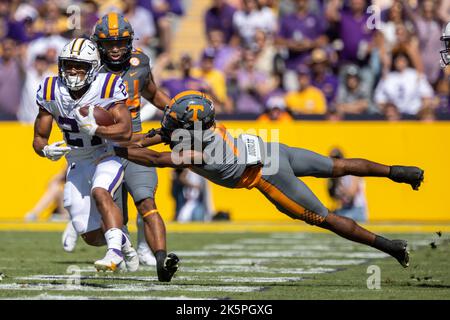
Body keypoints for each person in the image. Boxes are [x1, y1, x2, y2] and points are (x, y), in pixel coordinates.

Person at [113, 90, 426, 269]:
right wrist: (120, 143)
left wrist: (117, 148)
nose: (168, 123)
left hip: (268, 175)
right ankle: (399, 172)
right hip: (273, 150)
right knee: (339, 165)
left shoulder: (198, 152)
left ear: (190, 127)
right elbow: (155, 137)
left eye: (174, 120)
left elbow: (155, 156)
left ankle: (391, 247)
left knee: (326, 218)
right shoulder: (207, 125)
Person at [32, 38, 138, 273]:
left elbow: (126, 131)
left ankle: (114, 254)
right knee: (89, 234)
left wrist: (96, 129)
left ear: (93, 68)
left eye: (80, 66)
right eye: (69, 64)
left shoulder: (107, 86)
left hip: (106, 153)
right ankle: (123, 243)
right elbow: (39, 139)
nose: (73, 70)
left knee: (100, 192)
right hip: (77, 160)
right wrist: (46, 150)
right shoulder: (51, 89)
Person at [90, 13, 178, 281]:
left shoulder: (139, 63)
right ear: (99, 45)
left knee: (147, 202)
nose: (115, 48)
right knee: (113, 217)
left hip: (137, 144)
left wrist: (175, 110)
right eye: (109, 43)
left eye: (120, 42)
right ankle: (125, 249)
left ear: (128, 41)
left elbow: (152, 93)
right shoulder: (90, 69)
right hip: (106, 148)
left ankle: (162, 259)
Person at [327, 148, 368, 222]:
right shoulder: (336, 176)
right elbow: (334, 198)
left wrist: (339, 185)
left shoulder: (352, 172)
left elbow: (351, 194)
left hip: (357, 209)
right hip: (345, 209)